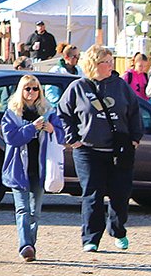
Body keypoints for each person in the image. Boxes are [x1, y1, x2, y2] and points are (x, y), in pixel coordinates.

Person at [57, 45, 144, 253]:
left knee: (120, 194)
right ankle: (91, 238)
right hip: (88, 150)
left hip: (118, 149)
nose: (111, 65)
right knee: (92, 194)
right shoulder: (78, 87)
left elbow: (134, 112)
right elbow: (62, 113)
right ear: (95, 64)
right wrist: (73, 138)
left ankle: (118, 229)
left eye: (111, 60)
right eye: (107, 61)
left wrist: (135, 139)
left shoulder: (121, 86)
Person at [1, 74, 66, 262]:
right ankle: (25, 246)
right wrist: (32, 128)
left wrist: (52, 129)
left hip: (40, 167)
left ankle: (31, 244)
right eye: (27, 88)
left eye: (35, 88)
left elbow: (61, 135)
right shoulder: (12, 114)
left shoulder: (48, 111)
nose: (31, 92)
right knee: (22, 209)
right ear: (21, 91)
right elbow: (11, 139)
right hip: (19, 167)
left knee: (35, 212)